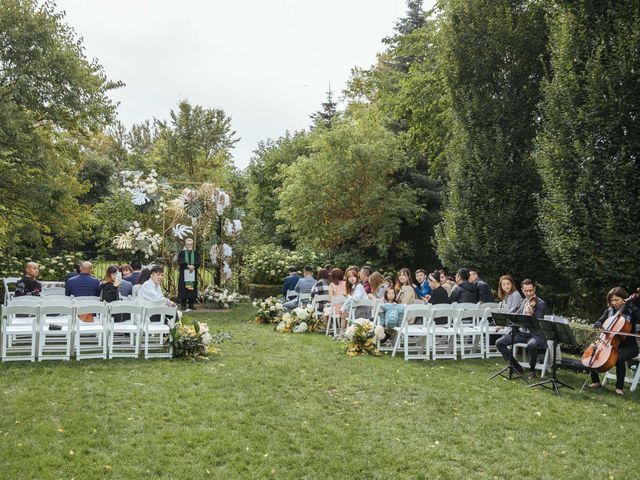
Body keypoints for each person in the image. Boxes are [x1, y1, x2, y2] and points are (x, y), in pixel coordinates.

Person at [588, 287, 640, 396]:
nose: (614, 303)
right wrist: (597, 323)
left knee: (619, 358)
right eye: (612, 300)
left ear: (624, 299)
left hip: (629, 346)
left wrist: (631, 305)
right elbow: (599, 320)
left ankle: (619, 387)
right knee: (593, 353)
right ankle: (596, 381)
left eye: (617, 300)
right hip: (610, 343)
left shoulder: (632, 310)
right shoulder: (609, 311)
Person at [495, 279, 547, 379]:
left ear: (534, 289)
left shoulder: (540, 303)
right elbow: (511, 316)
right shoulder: (522, 302)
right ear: (522, 290)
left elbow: (538, 321)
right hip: (520, 334)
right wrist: (502, 324)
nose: (529, 293)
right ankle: (517, 367)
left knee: (532, 344)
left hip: (533, 334)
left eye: (531, 290)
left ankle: (532, 370)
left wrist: (531, 314)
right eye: (526, 291)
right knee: (499, 343)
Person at [340, 266, 367, 335]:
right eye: (349, 277)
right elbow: (351, 300)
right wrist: (344, 307)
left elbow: (356, 299)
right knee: (343, 313)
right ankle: (343, 333)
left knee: (343, 314)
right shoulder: (354, 287)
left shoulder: (359, 286)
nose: (351, 278)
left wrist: (349, 296)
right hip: (358, 309)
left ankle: (343, 334)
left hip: (363, 311)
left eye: (353, 276)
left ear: (356, 277)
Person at [177, 238, 201, 310]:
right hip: (184, 273)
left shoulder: (196, 253)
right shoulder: (182, 253)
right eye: (188, 244)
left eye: (190, 244)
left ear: (192, 244)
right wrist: (188, 266)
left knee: (191, 288)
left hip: (192, 273)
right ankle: (183, 305)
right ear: (185, 244)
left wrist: (193, 266)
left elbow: (198, 261)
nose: (189, 245)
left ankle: (191, 304)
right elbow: (180, 261)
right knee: (183, 288)